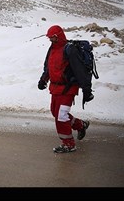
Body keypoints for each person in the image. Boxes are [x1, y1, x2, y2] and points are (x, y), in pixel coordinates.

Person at [38, 25, 92, 153]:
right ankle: (80, 125)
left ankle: (68, 144)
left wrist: (86, 89)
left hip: (68, 87)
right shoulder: (52, 49)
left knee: (61, 115)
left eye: (53, 37)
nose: (51, 40)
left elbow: (79, 71)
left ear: (59, 36)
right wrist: (43, 80)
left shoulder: (69, 49)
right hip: (55, 87)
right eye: (49, 38)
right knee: (55, 112)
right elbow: (48, 67)